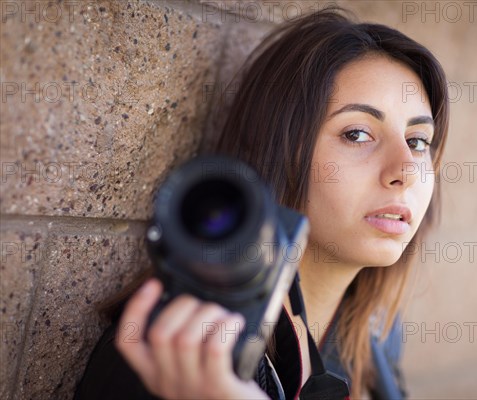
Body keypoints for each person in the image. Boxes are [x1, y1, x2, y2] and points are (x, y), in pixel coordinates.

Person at [75, 7, 449, 399]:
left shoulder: (377, 339)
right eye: (357, 134)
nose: (405, 170)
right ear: (281, 152)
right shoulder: (179, 350)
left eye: (418, 141)